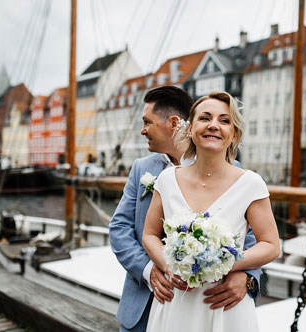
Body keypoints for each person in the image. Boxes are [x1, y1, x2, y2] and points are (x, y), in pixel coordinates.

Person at [108, 87, 263, 332]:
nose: (143, 130)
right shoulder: (142, 169)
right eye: (205, 118)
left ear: (173, 123)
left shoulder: (236, 174)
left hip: (210, 307)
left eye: (147, 122)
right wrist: (150, 271)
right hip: (144, 304)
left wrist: (248, 276)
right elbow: (119, 228)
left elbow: (252, 237)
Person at [142, 91, 280, 331]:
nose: (214, 125)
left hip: (225, 305)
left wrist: (222, 263)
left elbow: (271, 245)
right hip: (176, 301)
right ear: (190, 128)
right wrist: (169, 264)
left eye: (224, 121)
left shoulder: (251, 184)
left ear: (233, 134)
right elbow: (149, 235)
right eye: (205, 118)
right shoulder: (166, 180)